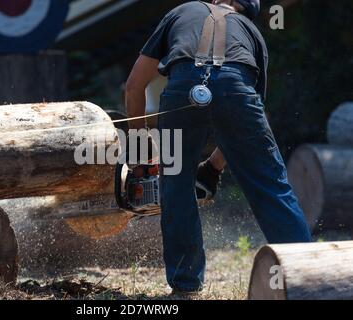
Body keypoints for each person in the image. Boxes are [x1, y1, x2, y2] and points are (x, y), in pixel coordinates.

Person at [125, 0, 312, 294]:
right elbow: (250, 115)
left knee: (175, 187)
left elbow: (134, 86)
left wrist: (139, 154)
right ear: (246, 11)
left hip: (182, 89)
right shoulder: (252, 32)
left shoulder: (181, 11)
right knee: (271, 187)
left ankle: (186, 286)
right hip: (236, 87)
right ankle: (305, 277)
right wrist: (213, 167)